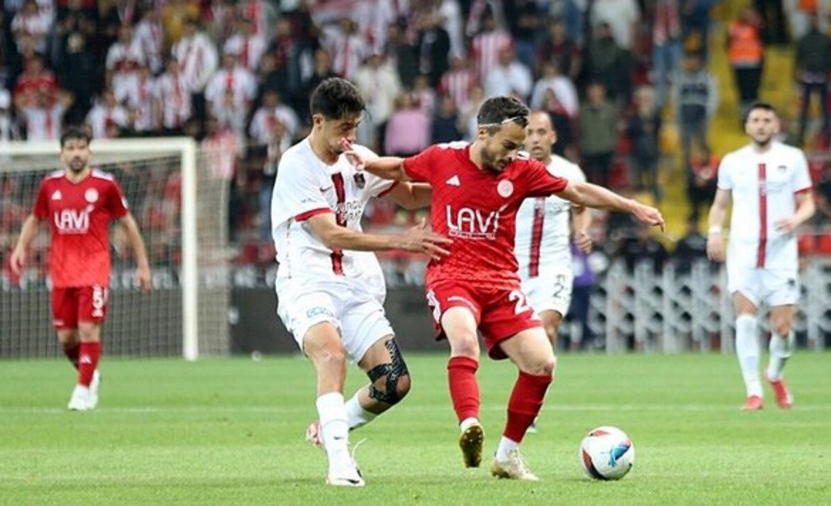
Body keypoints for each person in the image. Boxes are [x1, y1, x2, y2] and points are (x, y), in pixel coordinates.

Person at [348, 96, 664, 480]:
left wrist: (632, 206)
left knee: (542, 363)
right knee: (464, 340)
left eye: (518, 147)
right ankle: (469, 425)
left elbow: (578, 193)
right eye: (508, 145)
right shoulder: (443, 158)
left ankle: (507, 455)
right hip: (452, 275)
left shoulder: (522, 170)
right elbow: (400, 167)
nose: (513, 154)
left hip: (500, 282)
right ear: (483, 132)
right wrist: (364, 162)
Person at [270, 77, 451, 487]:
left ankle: (330, 428)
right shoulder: (296, 164)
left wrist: (464, 184)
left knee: (394, 382)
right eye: (343, 128)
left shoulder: (358, 158)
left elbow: (409, 196)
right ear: (318, 121)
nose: (350, 137)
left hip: (355, 286)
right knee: (331, 355)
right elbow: (330, 234)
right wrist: (400, 241)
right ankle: (339, 465)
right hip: (308, 283)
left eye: (355, 127)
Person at [9, 127, 151, 411]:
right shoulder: (49, 186)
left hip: (94, 269)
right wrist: (20, 247)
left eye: (81, 147)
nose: (76, 153)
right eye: (71, 148)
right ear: (61, 153)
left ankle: (82, 391)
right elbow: (36, 219)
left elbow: (127, 223)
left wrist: (143, 265)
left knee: (88, 330)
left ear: (89, 151)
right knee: (66, 339)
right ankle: (90, 373)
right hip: (62, 272)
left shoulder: (105, 185)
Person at [707, 101, 815, 411]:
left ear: (776, 125)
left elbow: (808, 202)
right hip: (743, 252)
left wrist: (795, 220)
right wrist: (714, 232)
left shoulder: (793, 158)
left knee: (782, 329)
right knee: (745, 318)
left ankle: (775, 374)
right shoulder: (732, 161)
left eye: (767, 120)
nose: (761, 125)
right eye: (755, 120)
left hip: (780, 255)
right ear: (747, 126)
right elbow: (720, 204)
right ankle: (753, 391)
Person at [515, 110, 592, 434]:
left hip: (554, 265)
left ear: (552, 136)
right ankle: (529, 387)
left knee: (545, 330)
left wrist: (582, 230)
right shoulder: (510, 167)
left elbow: (582, 205)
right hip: (512, 266)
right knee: (520, 342)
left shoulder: (568, 171)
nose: (535, 139)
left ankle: (530, 409)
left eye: (541, 132)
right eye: (529, 132)